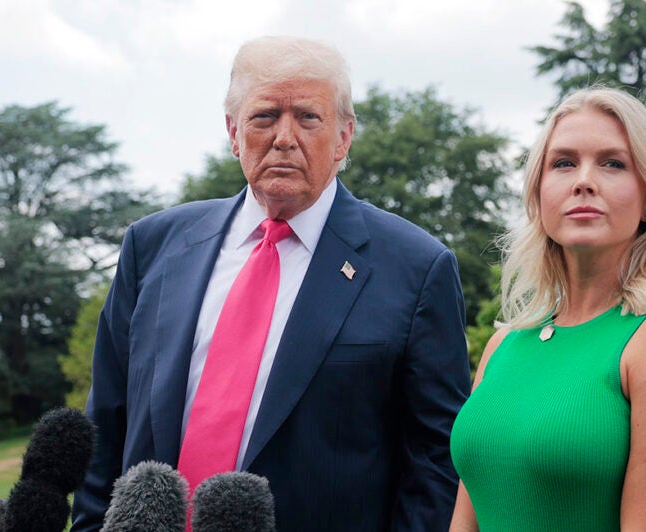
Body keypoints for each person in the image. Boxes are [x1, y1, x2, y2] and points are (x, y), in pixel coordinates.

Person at [72, 36, 471, 532]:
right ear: (233, 132)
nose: (285, 137)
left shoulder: (416, 267)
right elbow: (105, 425)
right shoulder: (152, 247)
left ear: (344, 136)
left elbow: (435, 459)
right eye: (264, 117)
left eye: (308, 117)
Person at [449, 87, 646, 531]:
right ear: (539, 193)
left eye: (613, 163)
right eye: (563, 163)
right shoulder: (503, 344)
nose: (584, 180)